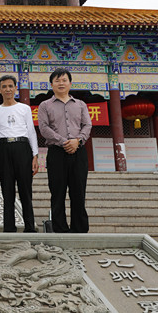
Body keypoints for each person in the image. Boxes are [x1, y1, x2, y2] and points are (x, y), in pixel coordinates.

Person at [38, 67, 92, 233]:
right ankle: (60, 229)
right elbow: (44, 128)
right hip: (56, 152)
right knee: (57, 192)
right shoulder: (45, 105)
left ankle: (80, 229)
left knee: (78, 192)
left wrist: (78, 140)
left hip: (78, 151)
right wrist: (64, 142)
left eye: (64, 80)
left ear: (70, 83)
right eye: (57, 80)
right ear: (51, 84)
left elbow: (87, 125)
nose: (61, 83)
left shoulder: (80, 104)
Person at [0, 75, 39, 233]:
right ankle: (9, 228)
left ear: (16, 88)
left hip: (22, 148)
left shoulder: (24, 109)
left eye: (11, 86)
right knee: (7, 192)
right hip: (4, 149)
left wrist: (35, 155)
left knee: (25, 191)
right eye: (4, 87)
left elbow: (31, 132)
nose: (8, 89)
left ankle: (30, 228)